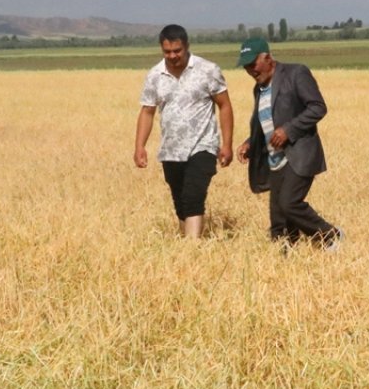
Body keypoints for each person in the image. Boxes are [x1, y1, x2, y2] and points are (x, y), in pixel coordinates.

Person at [235, 37, 342, 250]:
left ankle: (330, 235)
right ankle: (285, 260)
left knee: (289, 203)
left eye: (253, 64)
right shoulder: (259, 89)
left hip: (298, 153)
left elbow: (317, 107)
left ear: (267, 57)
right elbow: (264, 121)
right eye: (246, 67)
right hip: (274, 159)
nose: (251, 70)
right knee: (278, 221)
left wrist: (289, 130)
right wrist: (250, 143)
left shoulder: (295, 73)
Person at [135, 24, 234, 238]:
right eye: (167, 51)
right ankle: (185, 248)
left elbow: (224, 105)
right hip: (171, 149)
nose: (172, 56)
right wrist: (139, 146)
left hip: (203, 145)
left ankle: (192, 249)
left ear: (187, 46)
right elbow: (147, 112)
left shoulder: (208, 70)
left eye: (177, 51)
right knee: (180, 201)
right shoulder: (155, 75)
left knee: (193, 196)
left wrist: (227, 144)